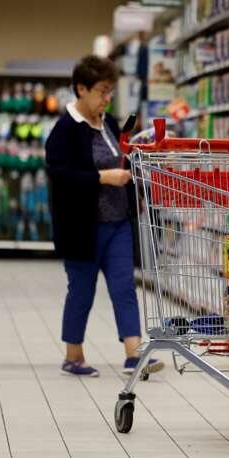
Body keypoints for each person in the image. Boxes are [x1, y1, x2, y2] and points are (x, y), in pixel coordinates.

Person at [45, 55, 164, 377]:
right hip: (82, 227)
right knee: (82, 290)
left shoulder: (110, 124)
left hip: (118, 222)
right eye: (101, 91)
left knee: (124, 287)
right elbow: (60, 175)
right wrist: (101, 177)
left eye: (109, 91)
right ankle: (73, 356)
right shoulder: (65, 129)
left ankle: (133, 354)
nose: (106, 98)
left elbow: (122, 160)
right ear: (81, 89)